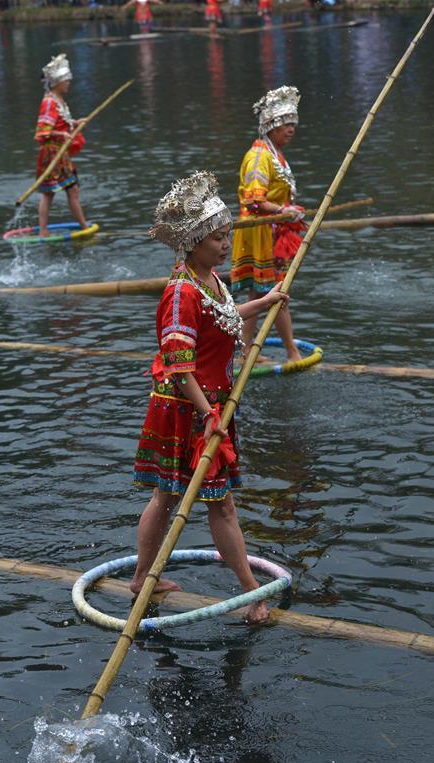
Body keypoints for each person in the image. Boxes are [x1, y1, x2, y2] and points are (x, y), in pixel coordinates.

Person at [132, 172, 290, 625]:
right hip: (188, 410)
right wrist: (208, 417)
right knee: (210, 501)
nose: (226, 245)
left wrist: (265, 302)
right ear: (194, 242)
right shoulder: (180, 293)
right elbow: (179, 367)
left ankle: (142, 577)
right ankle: (250, 592)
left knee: (168, 496)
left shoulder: (211, 281)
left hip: (209, 407)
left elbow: (224, 318)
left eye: (227, 235)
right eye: (219, 238)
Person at [230, 85, 306, 362]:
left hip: (270, 229)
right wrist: (284, 210)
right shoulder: (259, 157)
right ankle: (292, 352)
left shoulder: (273, 155)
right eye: (285, 124)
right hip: (260, 230)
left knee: (260, 292)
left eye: (293, 124)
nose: (291, 129)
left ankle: (246, 348)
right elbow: (254, 200)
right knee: (276, 291)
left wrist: (286, 211)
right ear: (271, 126)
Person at [34, 54, 88, 237]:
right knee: (49, 193)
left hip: (61, 154)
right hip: (52, 154)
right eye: (66, 80)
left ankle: (83, 226)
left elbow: (60, 123)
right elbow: (41, 131)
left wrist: (75, 123)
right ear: (57, 82)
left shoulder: (59, 101)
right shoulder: (49, 102)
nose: (68, 83)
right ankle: (44, 231)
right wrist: (61, 134)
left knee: (72, 190)